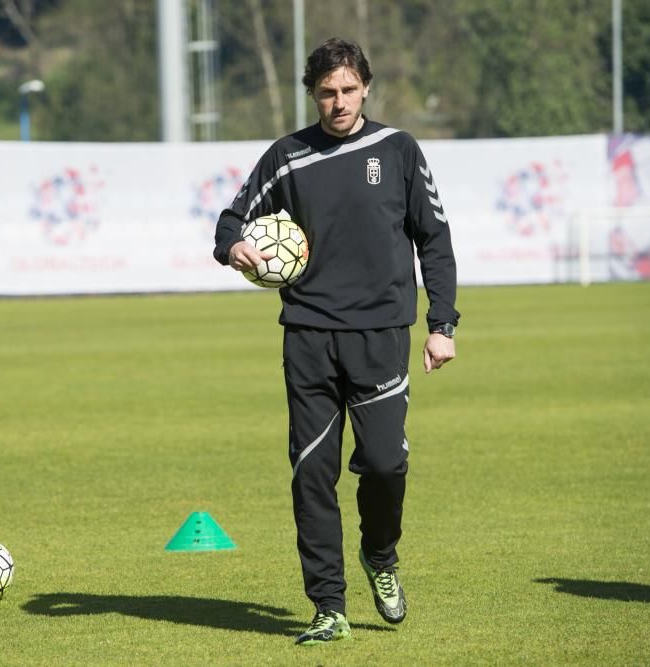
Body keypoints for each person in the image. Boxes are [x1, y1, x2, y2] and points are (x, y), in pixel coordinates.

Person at [214, 39, 459, 645]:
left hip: (379, 334)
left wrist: (442, 324)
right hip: (308, 336)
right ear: (313, 94)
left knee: (384, 464)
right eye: (327, 92)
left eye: (348, 90)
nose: (339, 102)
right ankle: (328, 605)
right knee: (310, 475)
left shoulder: (398, 149)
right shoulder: (287, 156)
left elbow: (434, 238)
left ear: (366, 88)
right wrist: (233, 247)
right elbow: (231, 219)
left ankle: (380, 554)